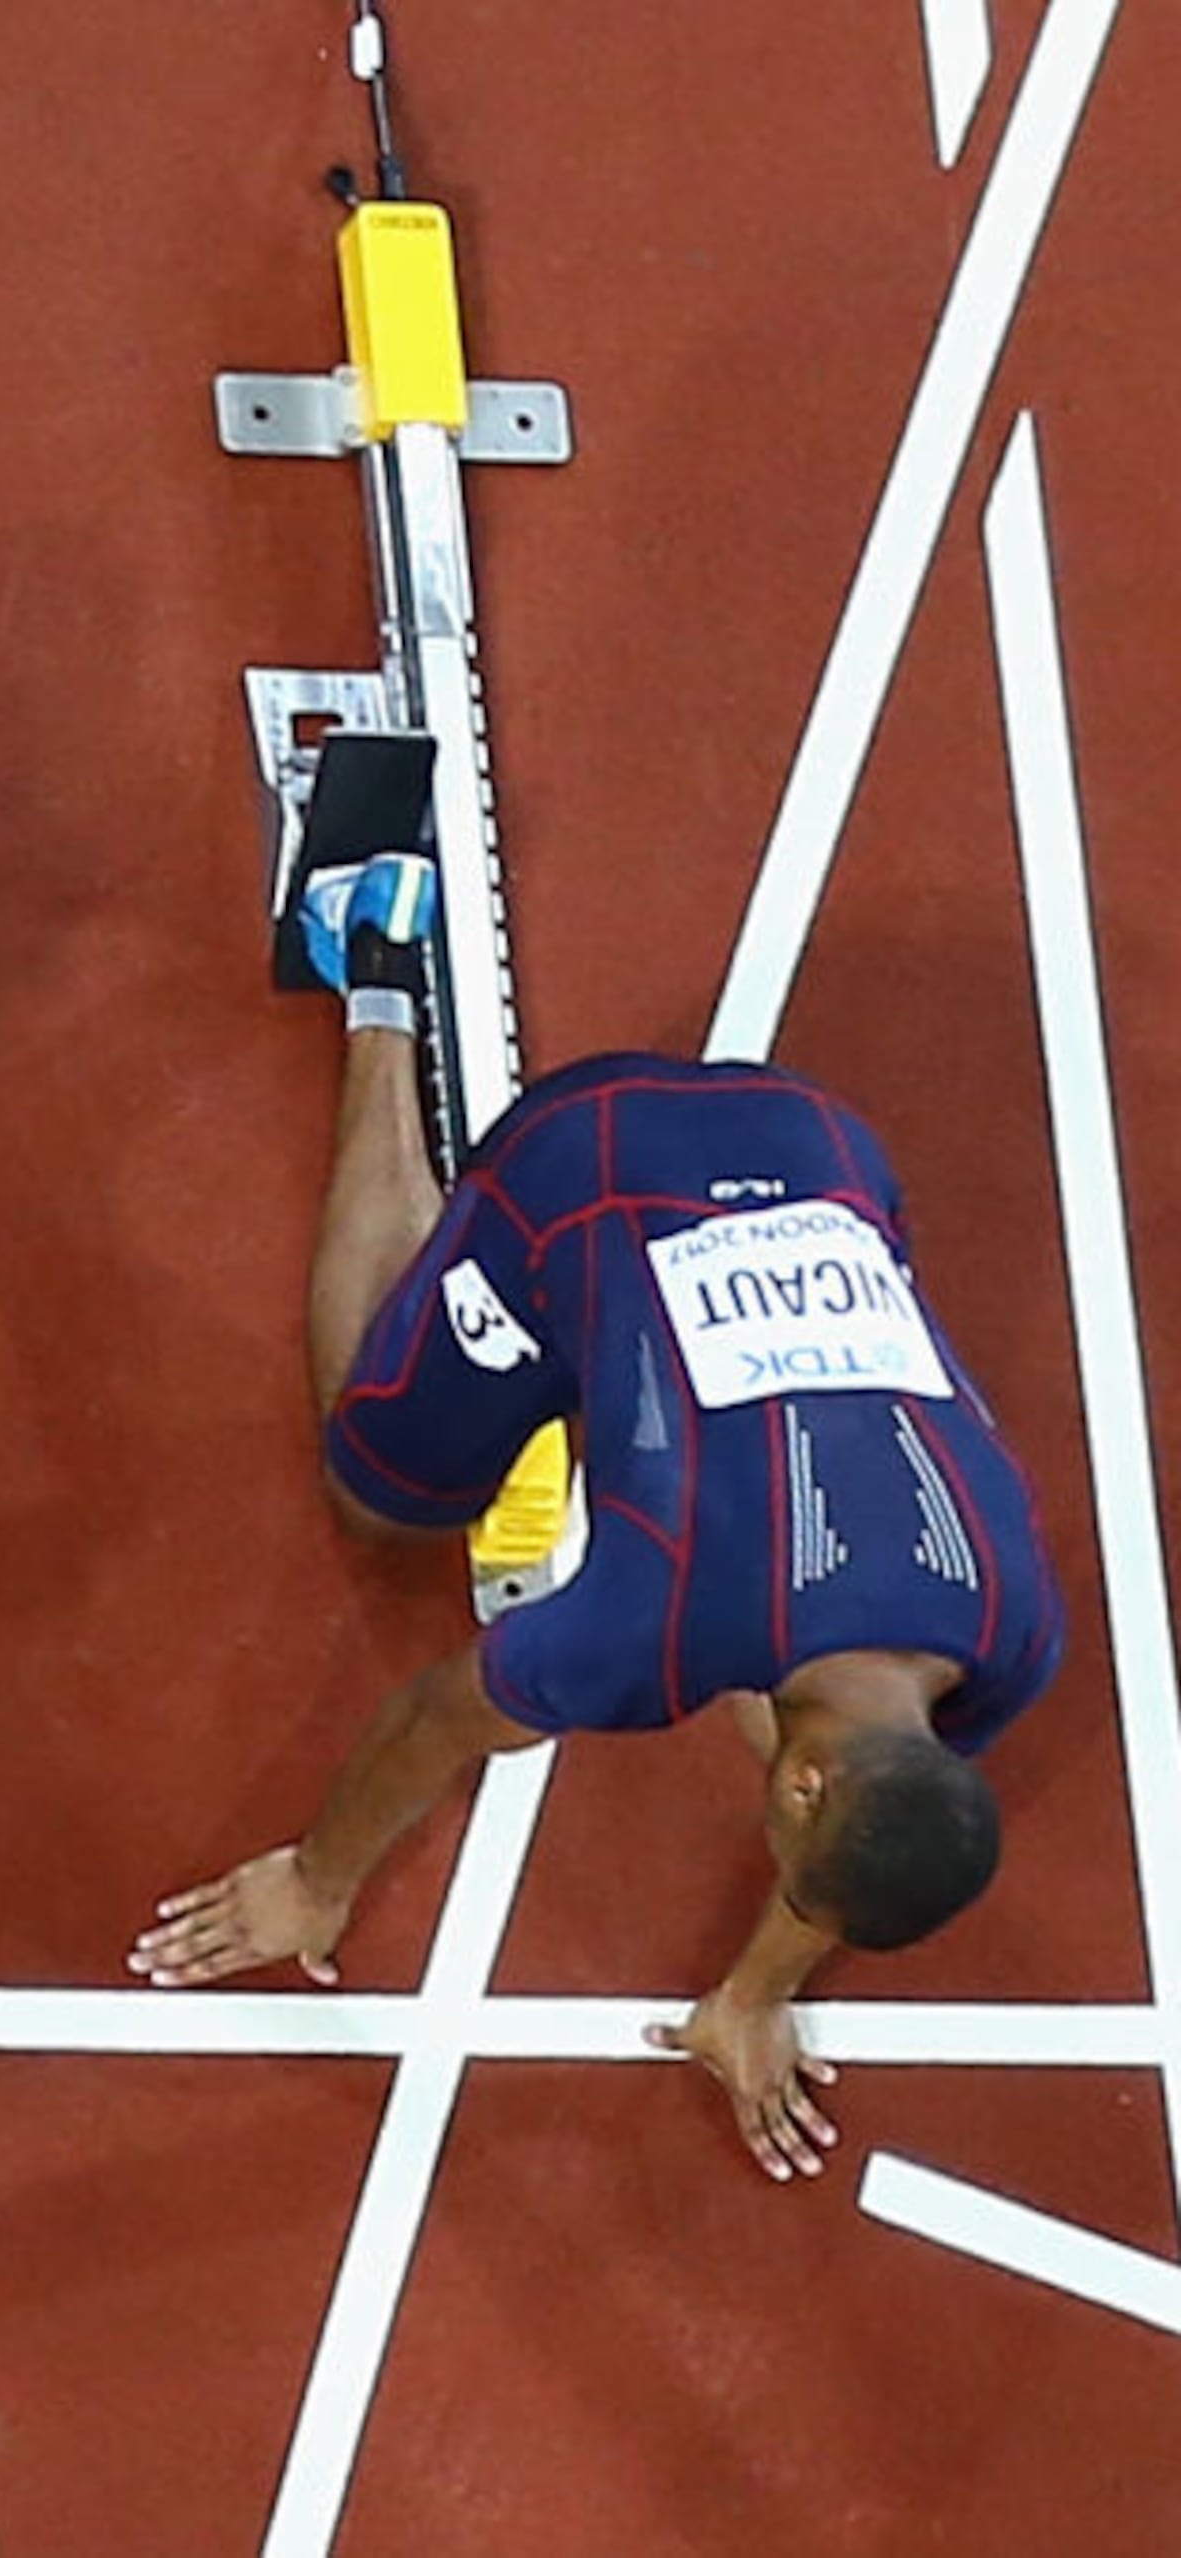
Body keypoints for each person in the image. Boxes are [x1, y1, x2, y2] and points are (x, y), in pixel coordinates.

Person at [128, 851, 1065, 2178]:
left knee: (677, 1487)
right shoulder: (651, 1624)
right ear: (800, 1784)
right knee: (384, 1492)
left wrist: (748, 1998)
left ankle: (603, 1373)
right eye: (791, 1852)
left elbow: (836, 1765)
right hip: (586, 1164)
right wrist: (317, 1880)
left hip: (827, 1148)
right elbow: (430, 1718)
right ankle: (381, 973)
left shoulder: (1016, 1625)